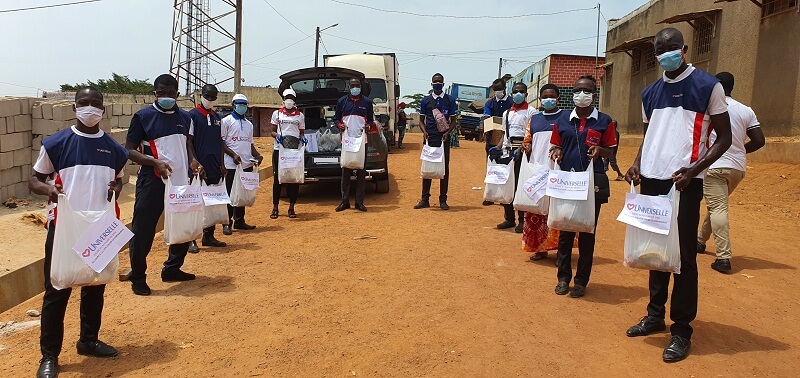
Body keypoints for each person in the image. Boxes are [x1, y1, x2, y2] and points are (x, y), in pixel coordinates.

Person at [625, 28, 732, 362]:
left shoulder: (707, 85)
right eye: (659, 49)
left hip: (684, 182)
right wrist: (637, 163)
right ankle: (655, 316)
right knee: (655, 250)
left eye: (672, 47)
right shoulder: (650, 92)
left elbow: (724, 138)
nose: (665, 53)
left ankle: (682, 329)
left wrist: (693, 168)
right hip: (652, 181)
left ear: (684, 49)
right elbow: (650, 136)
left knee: (684, 257)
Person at [30, 87, 127, 378]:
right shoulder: (56, 143)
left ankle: (88, 340)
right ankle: (49, 356)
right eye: (83, 103)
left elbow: (120, 181)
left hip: (98, 228)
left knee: (95, 285)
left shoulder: (114, 149)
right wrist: (48, 189)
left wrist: (117, 188)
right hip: (64, 227)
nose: (90, 108)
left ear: (103, 110)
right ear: (74, 107)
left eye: (95, 104)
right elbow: (35, 180)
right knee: (57, 290)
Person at [126, 74, 204, 296]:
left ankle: (172, 268)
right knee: (143, 229)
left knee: (183, 225)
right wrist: (153, 162)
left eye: (170, 94)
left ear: (177, 95)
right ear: (155, 94)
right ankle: (138, 277)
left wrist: (193, 160)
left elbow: (186, 143)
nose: (166, 97)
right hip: (152, 180)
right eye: (161, 93)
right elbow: (129, 149)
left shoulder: (185, 117)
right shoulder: (143, 117)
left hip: (179, 181)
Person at [550, 75, 617, 299]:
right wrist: (557, 151)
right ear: (572, 94)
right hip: (567, 184)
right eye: (578, 90)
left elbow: (611, 150)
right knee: (565, 231)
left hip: (591, 185)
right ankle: (563, 278)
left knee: (588, 232)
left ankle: (581, 281)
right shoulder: (561, 121)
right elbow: (556, 145)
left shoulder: (604, 121)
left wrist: (601, 151)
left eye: (586, 91)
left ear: (594, 95)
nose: (582, 94)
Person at [697, 72, 765, 273]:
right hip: (737, 168)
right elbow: (760, 140)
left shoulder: (712, 107)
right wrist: (741, 151)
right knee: (718, 205)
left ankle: (723, 258)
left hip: (715, 166)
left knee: (718, 208)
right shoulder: (746, 110)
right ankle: (700, 241)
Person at [522, 83, 567, 260]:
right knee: (536, 210)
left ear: (558, 98)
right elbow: (528, 139)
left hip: (558, 170)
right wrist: (527, 144)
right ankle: (539, 248)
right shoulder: (535, 119)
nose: (548, 99)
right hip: (537, 169)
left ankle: (561, 251)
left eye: (552, 96)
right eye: (545, 96)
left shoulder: (565, 117)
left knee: (558, 210)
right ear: (540, 100)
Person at [187, 84, 226, 251]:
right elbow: (188, 141)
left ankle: (209, 235)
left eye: (213, 97)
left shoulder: (218, 118)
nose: (210, 100)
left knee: (212, 203)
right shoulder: (192, 116)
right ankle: (192, 239)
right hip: (198, 167)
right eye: (207, 96)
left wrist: (223, 163)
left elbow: (221, 142)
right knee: (195, 203)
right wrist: (195, 162)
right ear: (201, 95)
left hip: (214, 165)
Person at [495, 82, 535, 233]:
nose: (518, 94)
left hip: (522, 153)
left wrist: (523, 148)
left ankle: (522, 220)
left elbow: (530, 134)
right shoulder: (507, 113)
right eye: (515, 91)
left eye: (521, 91)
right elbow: (505, 134)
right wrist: (497, 148)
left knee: (520, 187)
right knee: (507, 186)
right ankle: (509, 218)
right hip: (507, 151)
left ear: (526, 94)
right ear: (511, 94)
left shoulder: (531, 112)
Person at [414, 73, 457, 210]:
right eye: (435, 82)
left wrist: (447, 133)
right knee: (427, 168)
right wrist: (425, 132)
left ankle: (443, 200)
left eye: (440, 82)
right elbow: (420, 121)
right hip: (429, 138)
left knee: (444, 169)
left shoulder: (450, 100)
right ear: (431, 84)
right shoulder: (425, 100)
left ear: (443, 84)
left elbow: (453, 121)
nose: (437, 83)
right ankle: (424, 199)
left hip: (443, 138)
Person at [222, 94, 263, 229]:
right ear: (233, 105)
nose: (242, 107)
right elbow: (221, 143)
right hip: (230, 164)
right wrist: (233, 155)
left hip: (246, 163)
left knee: (243, 193)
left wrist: (258, 156)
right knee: (229, 193)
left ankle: (239, 220)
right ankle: (227, 222)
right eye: (240, 104)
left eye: (245, 104)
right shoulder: (226, 121)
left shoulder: (249, 124)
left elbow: (250, 144)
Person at [334, 78, 375, 212]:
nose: (355, 88)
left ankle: (359, 202)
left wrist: (368, 126)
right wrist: (340, 125)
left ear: (361, 87)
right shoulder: (342, 101)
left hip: (362, 142)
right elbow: (336, 119)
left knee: (361, 172)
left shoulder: (367, 102)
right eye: (352, 85)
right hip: (347, 141)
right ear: (349, 87)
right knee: (346, 170)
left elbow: (370, 120)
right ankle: (344, 202)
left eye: (357, 85)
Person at [269, 88, 305, 219]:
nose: (289, 100)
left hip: (294, 150)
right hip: (280, 149)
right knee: (278, 178)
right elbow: (272, 131)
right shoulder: (277, 114)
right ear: (283, 99)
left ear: (294, 100)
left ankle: (291, 208)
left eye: (291, 98)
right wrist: (276, 136)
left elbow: (301, 132)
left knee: (293, 179)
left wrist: (302, 138)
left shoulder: (300, 116)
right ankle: (275, 208)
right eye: (287, 97)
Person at [482, 78, 514, 206]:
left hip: (507, 141)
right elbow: (487, 118)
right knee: (491, 167)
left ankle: (503, 195)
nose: (497, 92)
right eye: (495, 90)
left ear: (504, 89)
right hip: (492, 140)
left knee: (505, 168)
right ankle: (490, 196)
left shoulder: (511, 103)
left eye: (499, 90)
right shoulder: (490, 103)